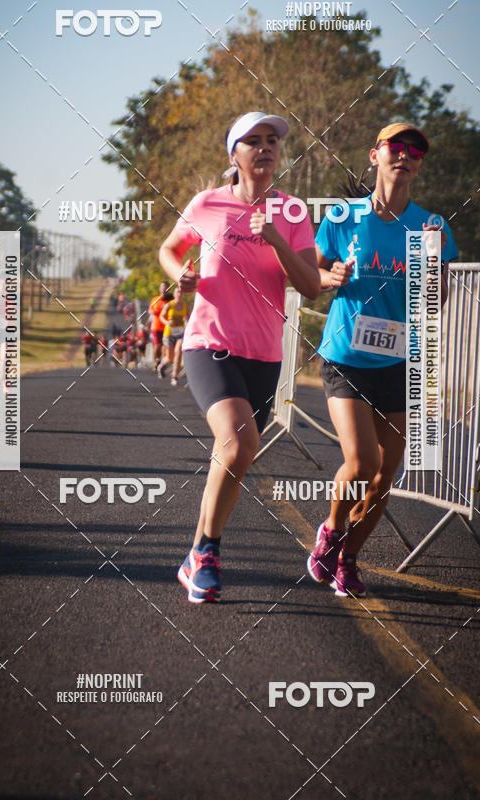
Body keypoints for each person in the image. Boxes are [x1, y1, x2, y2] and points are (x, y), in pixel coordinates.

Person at [159, 111, 320, 603]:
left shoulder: (292, 213)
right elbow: (170, 248)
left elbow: (311, 286)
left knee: (239, 453)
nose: (265, 148)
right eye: (254, 141)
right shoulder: (207, 204)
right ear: (235, 154)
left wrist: (274, 239)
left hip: (264, 355)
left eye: (272, 140)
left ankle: (195, 554)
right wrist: (180, 276)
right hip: (210, 343)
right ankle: (207, 553)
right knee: (237, 442)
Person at [307, 122, 458, 598]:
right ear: (375, 155)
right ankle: (331, 532)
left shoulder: (432, 225)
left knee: (383, 477)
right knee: (362, 460)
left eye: (416, 151)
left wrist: (433, 262)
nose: (406, 155)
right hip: (346, 357)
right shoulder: (342, 215)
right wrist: (332, 274)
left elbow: (436, 301)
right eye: (397, 146)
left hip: (400, 362)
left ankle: (348, 561)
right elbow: (311, 268)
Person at [158, 287, 188, 384]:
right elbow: (161, 316)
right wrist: (167, 322)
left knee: (178, 352)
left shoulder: (185, 306)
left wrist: (186, 320)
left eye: (181, 293)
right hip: (169, 333)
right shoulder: (169, 305)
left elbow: (191, 318)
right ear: (174, 294)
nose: (179, 294)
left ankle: (174, 376)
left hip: (180, 333)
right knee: (170, 358)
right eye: (177, 292)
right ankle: (162, 365)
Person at [149, 283, 173, 370]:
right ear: (159, 288)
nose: (164, 289)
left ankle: (162, 363)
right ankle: (155, 361)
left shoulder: (170, 300)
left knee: (165, 346)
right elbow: (150, 311)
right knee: (157, 346)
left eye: (166, 287)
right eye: (162, 287)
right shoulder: (155, 299)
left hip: (167, 327)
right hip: (156, 326)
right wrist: (157, 311)